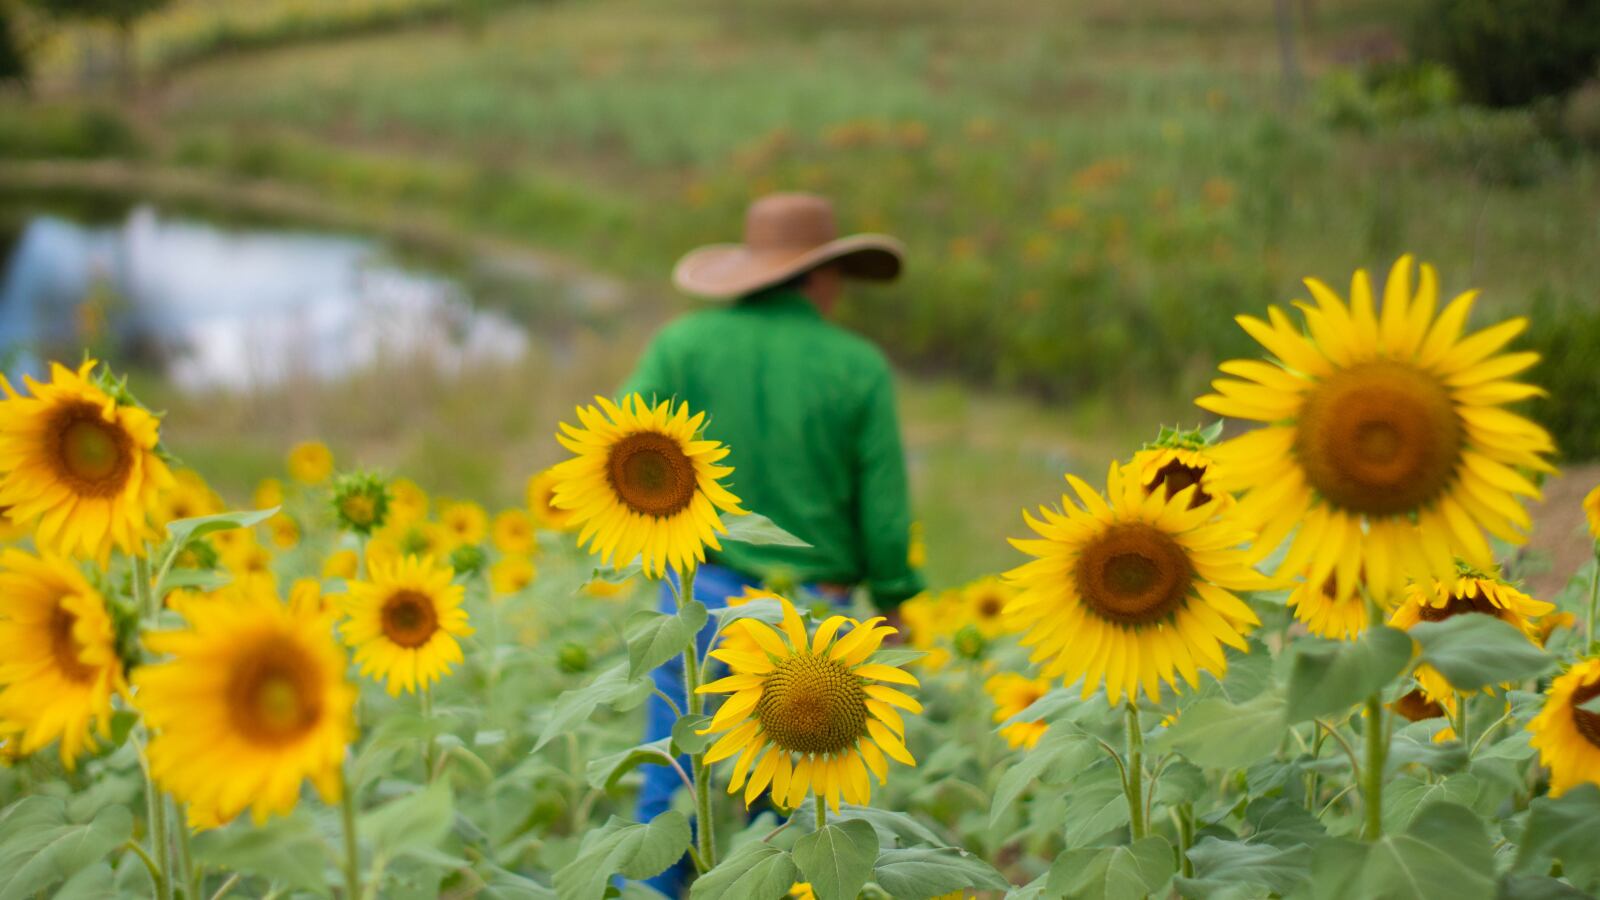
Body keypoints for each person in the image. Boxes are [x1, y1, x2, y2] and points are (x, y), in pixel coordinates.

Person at [621, 192, 924, 896]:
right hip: (814, 617)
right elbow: (885, 510)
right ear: (820, 277)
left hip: (698, 598)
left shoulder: (683, 345)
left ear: (751, 273)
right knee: (797, 812)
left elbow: (630, 446)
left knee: (672, 788)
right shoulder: (856, 364)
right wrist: (897, 599)